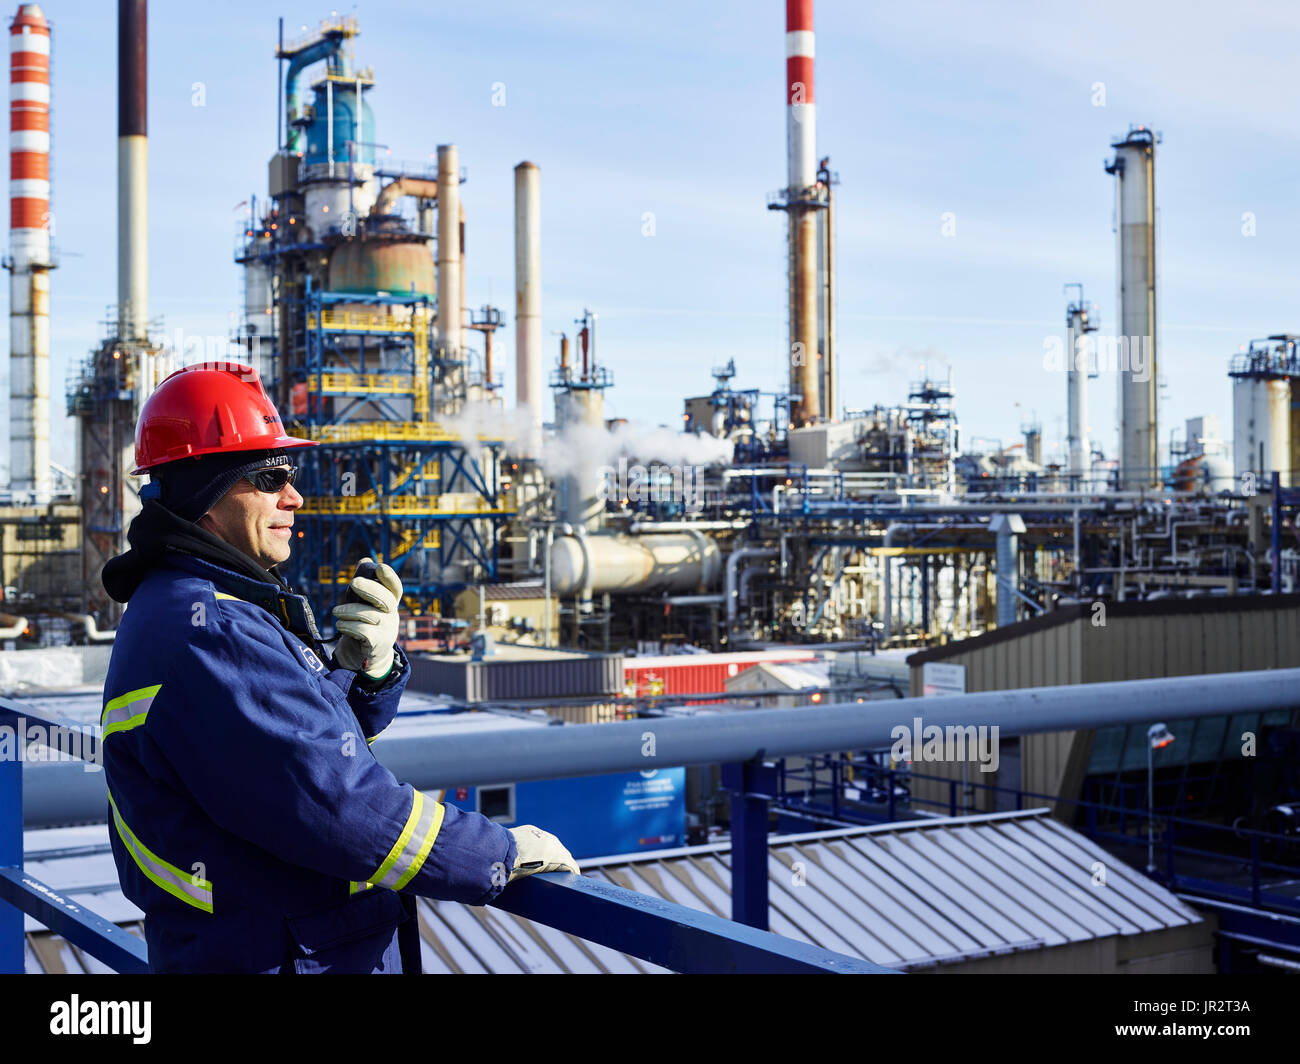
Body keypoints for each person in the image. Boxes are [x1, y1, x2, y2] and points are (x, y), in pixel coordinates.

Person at [100, 361, 579, 973]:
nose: (294, 497)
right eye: (270, 477)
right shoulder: (213, 630)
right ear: (207, 494)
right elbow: (342, 808)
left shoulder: (181, 604)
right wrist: (499, 852)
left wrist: (366, 674)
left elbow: (282, 756)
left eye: (291, 475)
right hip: (273, 956)